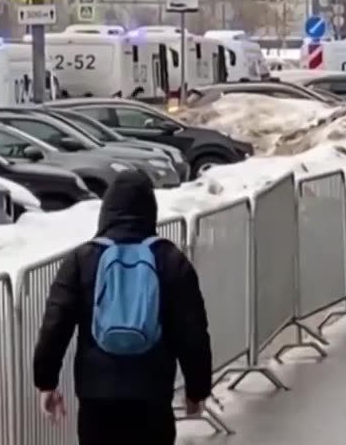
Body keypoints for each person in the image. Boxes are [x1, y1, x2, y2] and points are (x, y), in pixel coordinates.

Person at [32, 171, 212, 445]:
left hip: (97, 394)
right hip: (152, 393)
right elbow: (193, 332)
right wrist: (197, 389)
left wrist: (46, 382)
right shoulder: (170, 259)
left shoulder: (83, 259)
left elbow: (55, 325)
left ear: (106, 210)